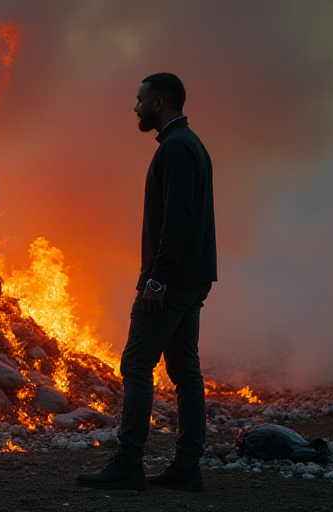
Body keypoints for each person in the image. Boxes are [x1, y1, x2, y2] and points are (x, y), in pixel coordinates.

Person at [77, 73, 217, 492]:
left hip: (171, 282)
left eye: (139, 100)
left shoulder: (175, 148)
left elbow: (178, 219)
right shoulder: (191, 144)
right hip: (193, 278)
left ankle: (128, 462)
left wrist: (157, 279)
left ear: (159, 103)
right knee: (184, 369)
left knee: (137, 365)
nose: (134, 107)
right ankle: (188, 465)